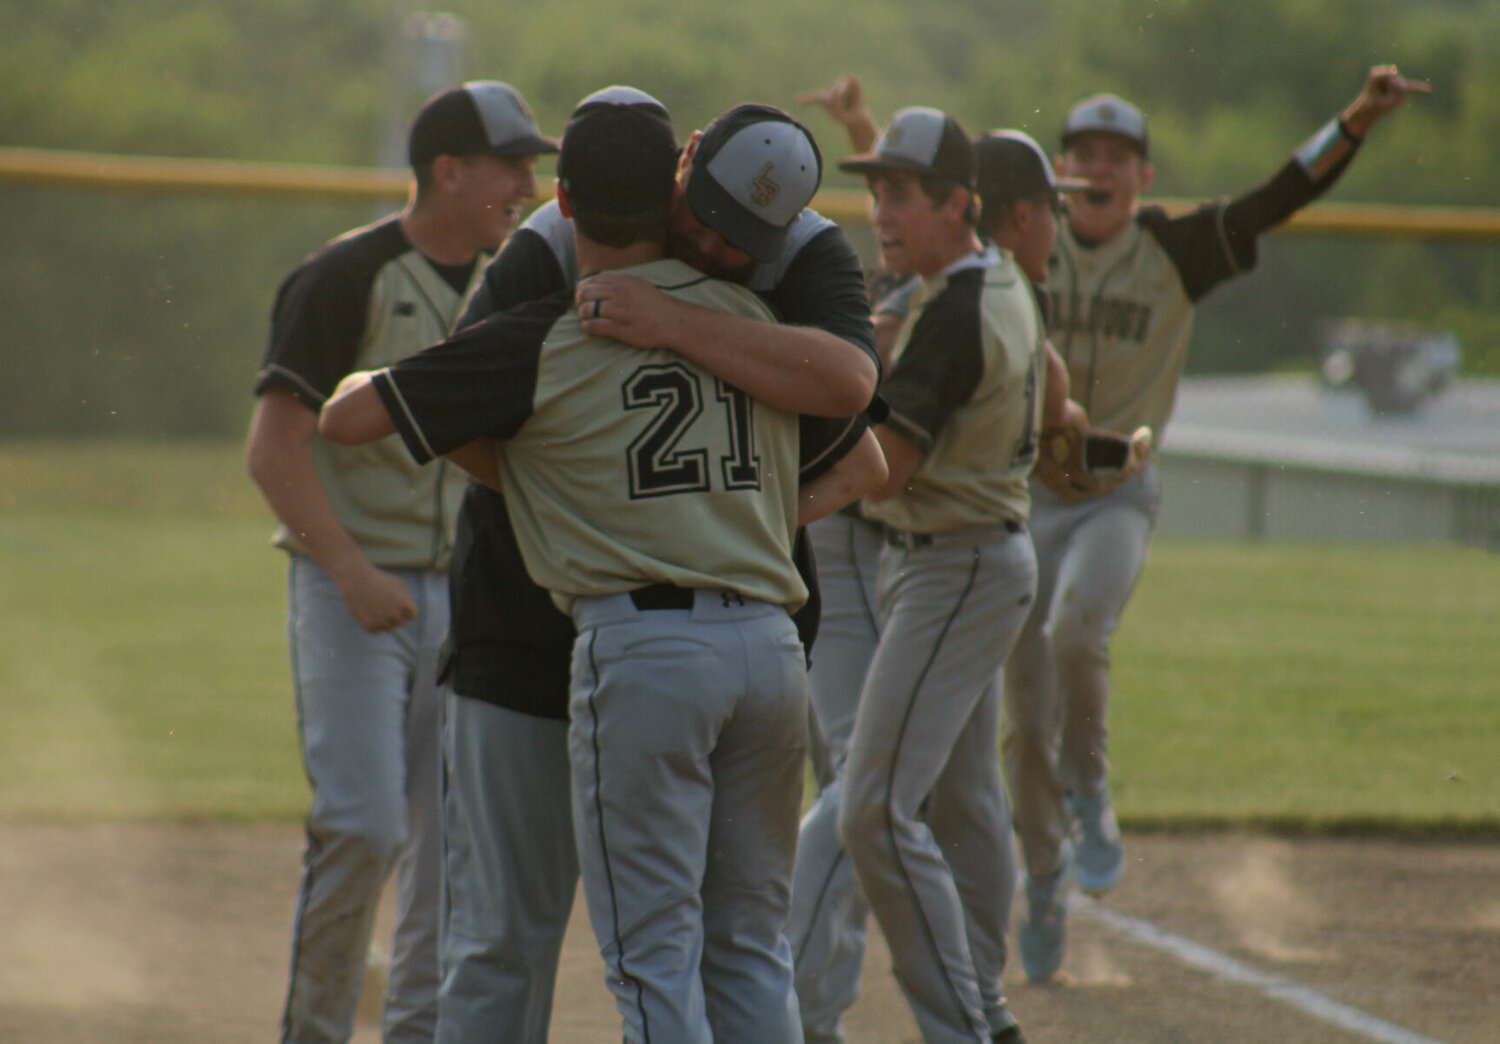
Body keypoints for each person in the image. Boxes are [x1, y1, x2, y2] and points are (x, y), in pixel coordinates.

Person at [321, 95, 877, 1044]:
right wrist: (671, 516)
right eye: (704, 219)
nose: (718, 246)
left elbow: (361, 417)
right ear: (681, 167)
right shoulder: (692, 294)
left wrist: (632, 496)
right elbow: (862, 458)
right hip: (610, 643)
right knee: (733, 947)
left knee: (638, 954)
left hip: (639, 648)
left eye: (746, 235)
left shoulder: (580, 320)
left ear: (567, 194)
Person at [1004, 64, 1429, 983]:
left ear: (1143, 178)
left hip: (1117, 494)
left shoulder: (1177, 248)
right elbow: (933, 210)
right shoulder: (1019, 241)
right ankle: (1042, 873)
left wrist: (1353, 117)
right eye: (1083, 151)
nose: (1099, 166)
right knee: (1018, 712)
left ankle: (1091, 789)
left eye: (1119, 155)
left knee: (1079, 627)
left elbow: (1284, 192)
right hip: (1028, 495)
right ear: (1060, 168)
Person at [244, 82, 557, 1044]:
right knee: (365, 827)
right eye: (510, 163)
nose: (526, 181)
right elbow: (273, 449)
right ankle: (314, 1033)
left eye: (531, 164)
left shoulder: (518, 280)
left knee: (451, 856)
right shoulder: (348, 276)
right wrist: (348, 571)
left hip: (464, 600)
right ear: (447, 171)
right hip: (350, 592)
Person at [790, 105, 1065, 1044]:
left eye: (902, 193)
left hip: (955, 568)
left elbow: (886, 469)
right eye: (874, 190)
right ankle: (979, 1007)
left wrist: (761, 506)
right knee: (943, 798)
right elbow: (1058, 390)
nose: (882, 210)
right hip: (961, 559)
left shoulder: (952, 312)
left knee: (872, 808)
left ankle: (971, 1023)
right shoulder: (993, 284)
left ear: (959, 205)